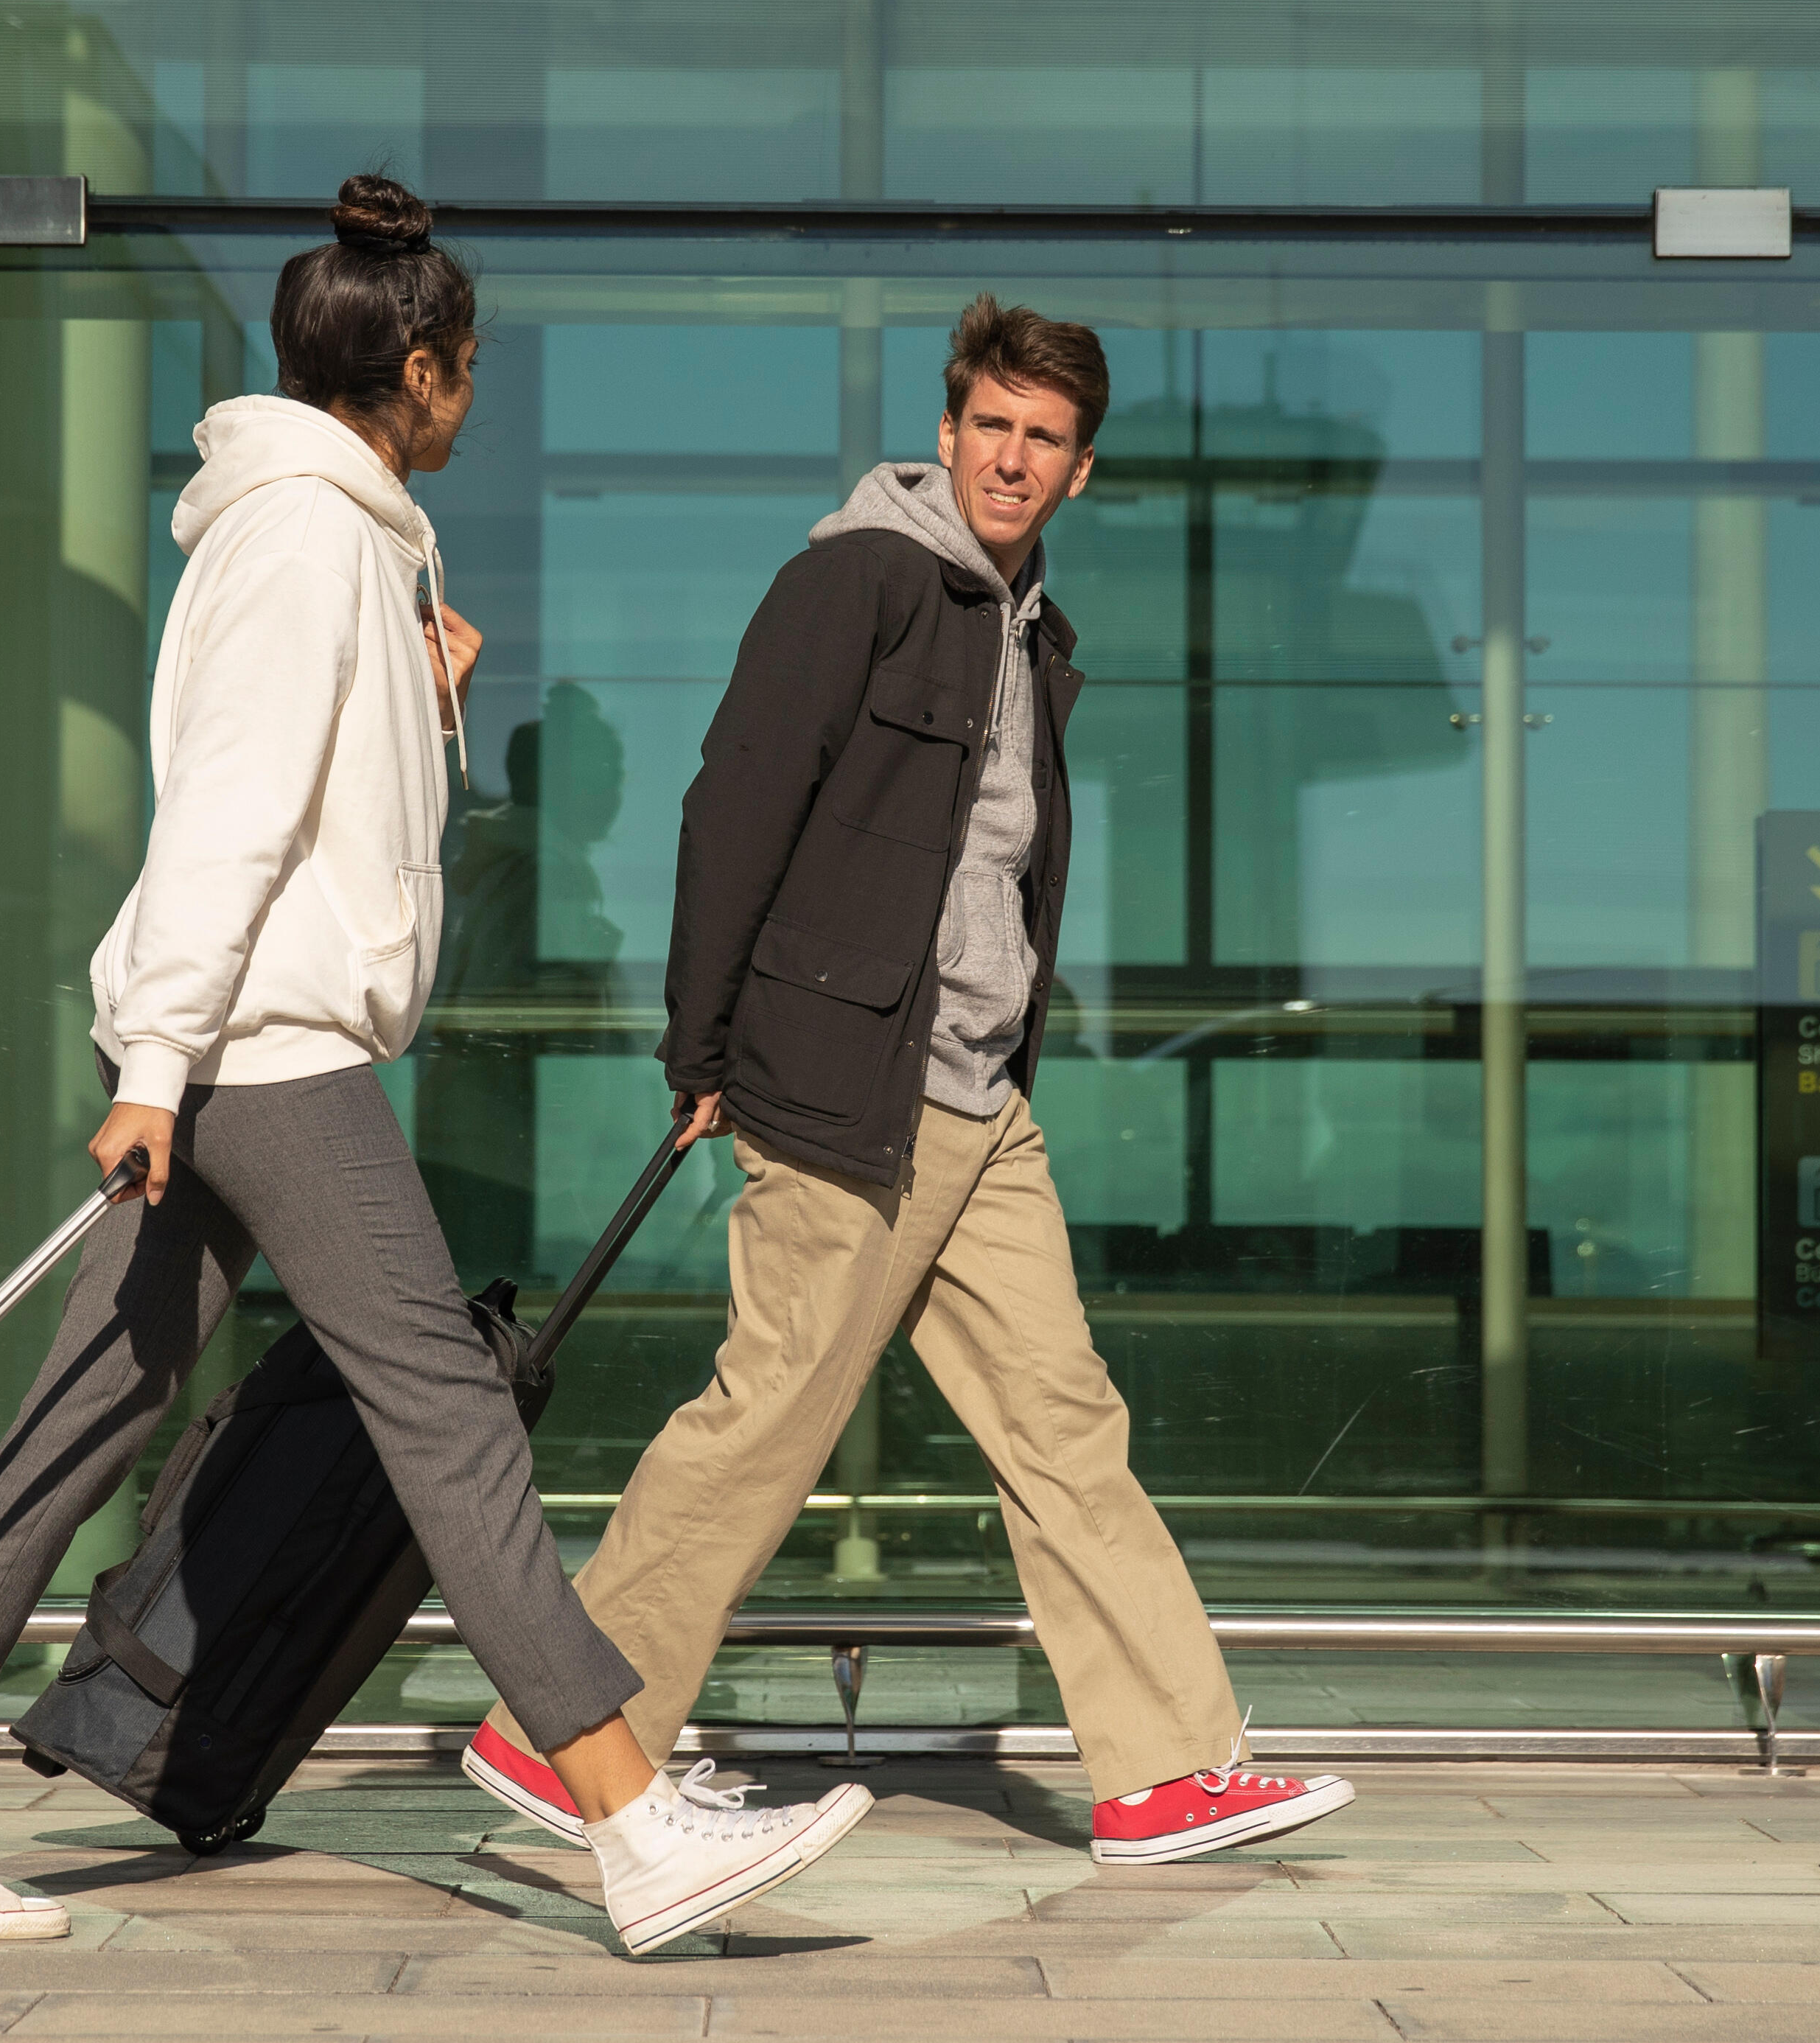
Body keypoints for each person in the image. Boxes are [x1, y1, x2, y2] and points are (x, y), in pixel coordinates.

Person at [0, 174, 874, 1960]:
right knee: (444, 1406)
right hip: (258, 1053)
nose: (477, 403)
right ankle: (626, 1807)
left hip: (227, 1043)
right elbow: (227, 815)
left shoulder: (334, 540)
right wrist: (157, 1063)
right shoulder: (306, 542)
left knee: (89, 1415)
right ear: (425, 373)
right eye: (473, 376)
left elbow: (325, 814)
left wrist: (429, 696)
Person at [466, 298, 1351, 1865]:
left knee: (1065, 1417)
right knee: (769, 1417)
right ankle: (564, 1738)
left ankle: (1161, 1766)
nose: (1013, 457)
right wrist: (704, 1047)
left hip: (976, 1097)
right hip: (846, 1082)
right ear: (947, 433)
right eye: (992, 425)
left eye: (1046, 437)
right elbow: (732, 804)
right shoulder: (858, 581)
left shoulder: (1025, 627)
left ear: (1082, 470)